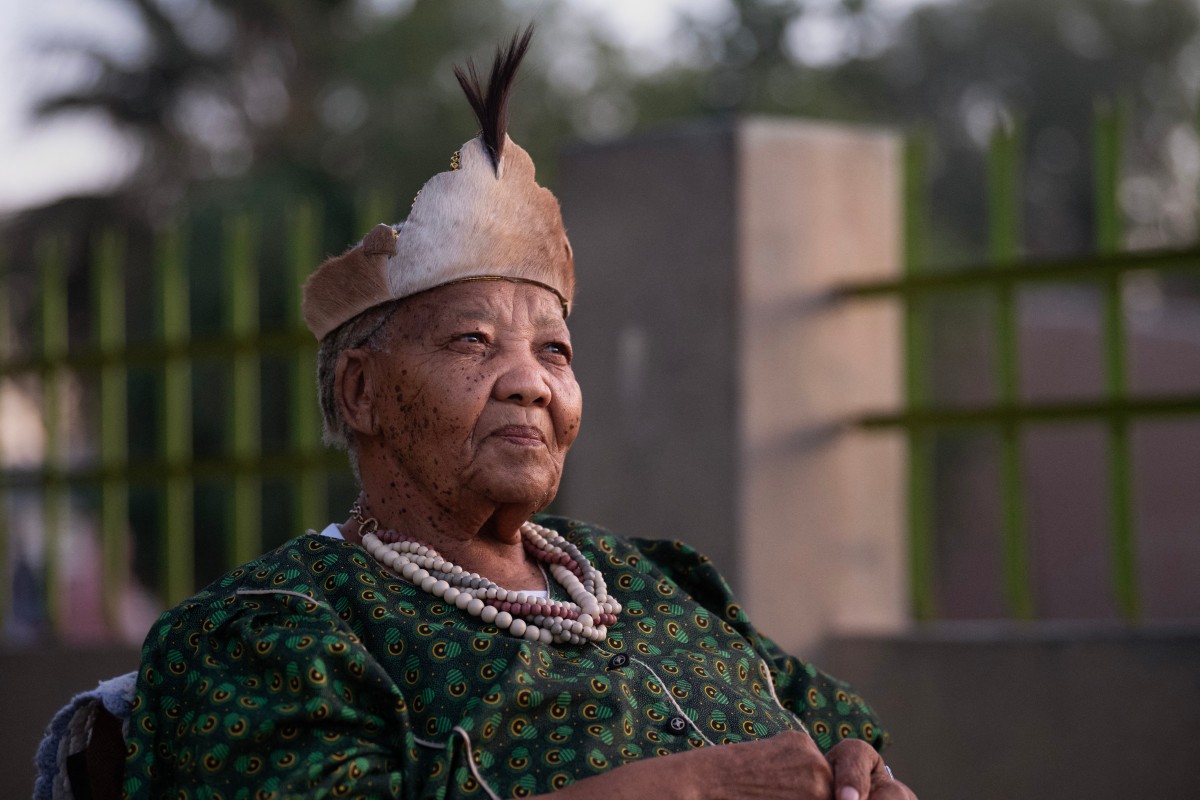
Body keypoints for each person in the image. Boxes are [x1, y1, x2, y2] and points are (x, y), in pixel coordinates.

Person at [123, 27, 916, 800]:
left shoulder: (655, 580)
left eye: (556, 352)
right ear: (361, 392)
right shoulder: (273, 632)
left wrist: (854, 765)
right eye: (472, 341)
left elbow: (837, 727)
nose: (530, 383)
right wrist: (698, 785)